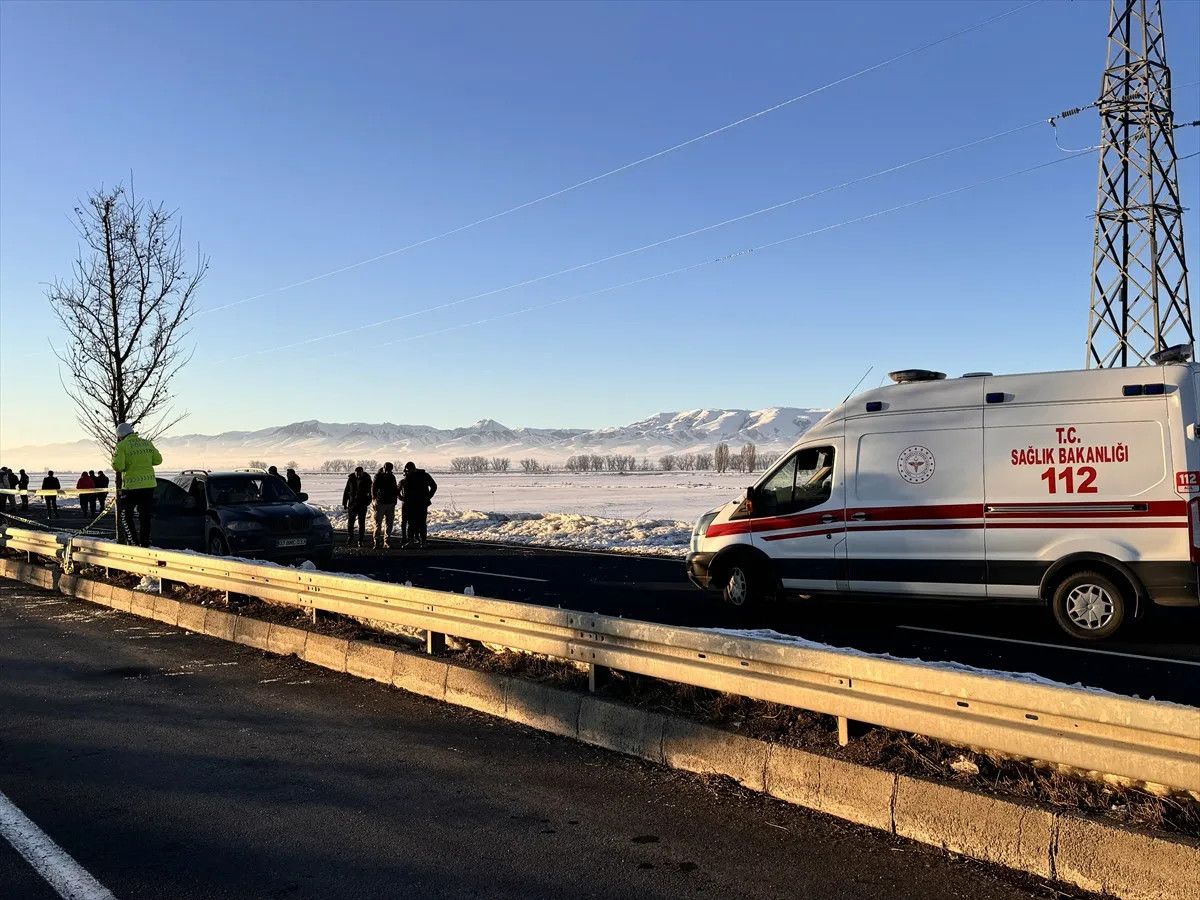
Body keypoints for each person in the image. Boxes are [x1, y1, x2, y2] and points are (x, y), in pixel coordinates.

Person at [111, 422, 163, 547]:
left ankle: (133, 542)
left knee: (125, 516)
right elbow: (158, 460)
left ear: (120, 436)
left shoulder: (122, 446)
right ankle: (145, 543)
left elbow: (118, 466)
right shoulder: (147, 443)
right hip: (149, 486)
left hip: (131, 487)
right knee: (145, 516)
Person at [400, 461, 437, 548]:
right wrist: (402, 498)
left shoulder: (424, 475)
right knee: (411, 523)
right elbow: (401, 489)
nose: (408, 472)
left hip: (421, 503)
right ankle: (412, 541)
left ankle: (422, 542)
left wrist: (428, 497)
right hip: (411, 503)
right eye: (407, 470)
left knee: (421, 523)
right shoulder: (408, 477)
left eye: (409, 470)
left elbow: (434, 486)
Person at [342, 465, 372, 548]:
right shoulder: (351, 479)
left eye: (359, 473)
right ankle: (350, 537)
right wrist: (344, 503)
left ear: (362, 473)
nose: (358, 475)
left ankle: (360, 540)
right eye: (357, 473)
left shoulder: (367, 479)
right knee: (350, 523)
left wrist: (368, 502)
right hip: (352, 504)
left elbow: (370, 492)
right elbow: (346, 490)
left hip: (362, 504)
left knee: (361, 523)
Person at [371, 462, 399, 550]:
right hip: (380, 502)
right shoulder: (378, 476)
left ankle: (387, 541)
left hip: (390, 503)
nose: (388, 471)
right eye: (387, 469)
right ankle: (376, 541)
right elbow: (373, 488)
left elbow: (395, 488)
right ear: (383, 468)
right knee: (377, 523)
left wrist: (395, 500)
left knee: (389, 523)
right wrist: (374, 499)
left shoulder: (392, 477)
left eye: (389, 470)